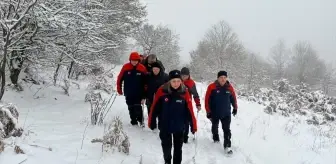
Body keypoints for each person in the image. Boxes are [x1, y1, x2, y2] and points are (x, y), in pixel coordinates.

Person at [148, 70, 197, 164]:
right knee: (166, 147)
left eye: (178, 81)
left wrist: (193, 125)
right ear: (169, 81)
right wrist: (151, 121)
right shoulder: (162, 91)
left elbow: (190, 110)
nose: (176, 84)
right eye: (173, 81)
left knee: (178, 149)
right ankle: (167, 161)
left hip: (179, 126)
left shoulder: (184, 92)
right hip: (164, 125)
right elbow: (154, 107)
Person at [204, 71, 238, 154]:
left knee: (227, 130)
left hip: (226, 113)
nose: (223, 79)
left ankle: (227, 146)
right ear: (218, 78)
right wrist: (208, 111)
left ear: (226, 78)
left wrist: (235, 108)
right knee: (215, 126)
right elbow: (207, 100)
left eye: (224, 77)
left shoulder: (229, 87)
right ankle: (215, 138)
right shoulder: (212, 87)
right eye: (221, 77)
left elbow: (233, 98)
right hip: (214, 112)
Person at [117, 52, 147, 127]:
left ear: (138, 60)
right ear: (130, 60)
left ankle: (141, 121)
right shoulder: (125, 67)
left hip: (139, 93)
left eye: (136, 60)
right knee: (130, 107)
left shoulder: (142, 68)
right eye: (133, 60)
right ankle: (133, 121)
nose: (134, 62)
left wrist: (144, 95)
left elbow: (146, 82)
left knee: (138, 107)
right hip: (128, 92)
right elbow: (119, 79)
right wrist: (119, 89)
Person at [180, 67, 201, 143]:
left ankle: (185, 136)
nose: (184, 77)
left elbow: (195, 94)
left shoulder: (191, 83)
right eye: (182, 75)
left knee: (186, 121)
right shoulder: (177, 81)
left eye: (186, 76)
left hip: (187, 104)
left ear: (189, 75)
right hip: (177, 104)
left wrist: (198, 104)